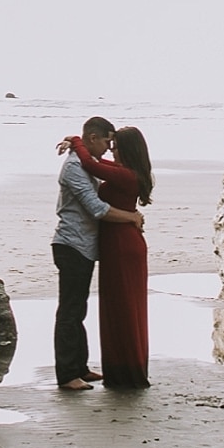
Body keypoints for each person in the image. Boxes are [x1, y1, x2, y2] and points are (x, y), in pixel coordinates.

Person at [51, 116, 145, 391]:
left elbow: (102, 170)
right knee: (70, 310)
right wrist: (131, 217)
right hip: (71, 244)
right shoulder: (74, 167)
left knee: (78, 308)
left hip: (82, 245)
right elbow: (97, 208)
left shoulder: (85, 164)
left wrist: (73, 140)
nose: (108, 147)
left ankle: (79, 367)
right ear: (93, 138)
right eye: (106, 141)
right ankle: (68, 375)